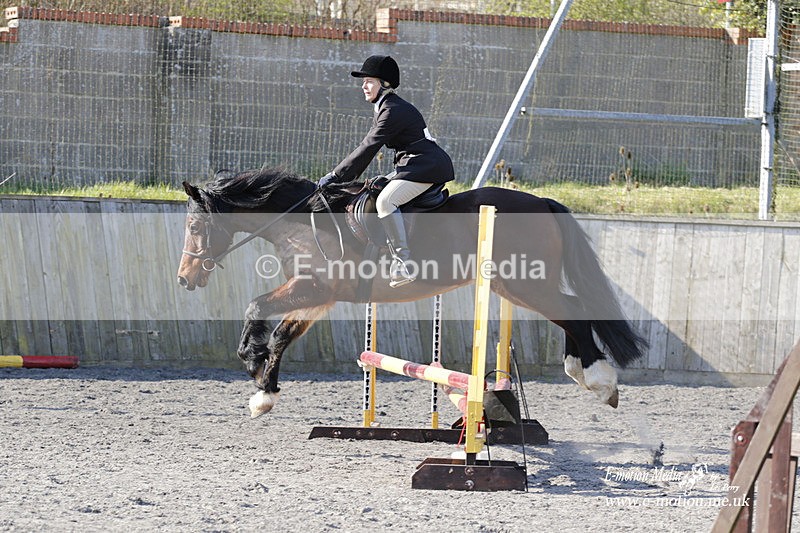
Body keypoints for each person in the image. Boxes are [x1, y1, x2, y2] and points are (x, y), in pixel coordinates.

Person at [318, 55, 455, 288]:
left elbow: (369, 146)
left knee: (385, 202)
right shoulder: (387, 106)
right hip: (413, 165)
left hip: (426, 167)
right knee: (375, 187)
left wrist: (337, 176)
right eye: (363, 81)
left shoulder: (393, 110)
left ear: (385, 83)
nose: (363, 85)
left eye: (369, 80)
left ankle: (403, 262)